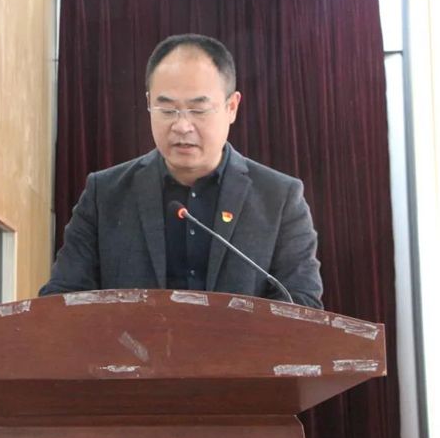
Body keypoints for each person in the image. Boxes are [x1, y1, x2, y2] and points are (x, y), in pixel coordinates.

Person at [40, 33, 323, 308]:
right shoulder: (104, 195)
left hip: (240, 343)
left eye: (198, 110)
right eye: (167, 110)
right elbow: (61, 300)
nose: (182, 126)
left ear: (232, 107)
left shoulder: (279, 198)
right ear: (149, 103)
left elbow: (302, 305)